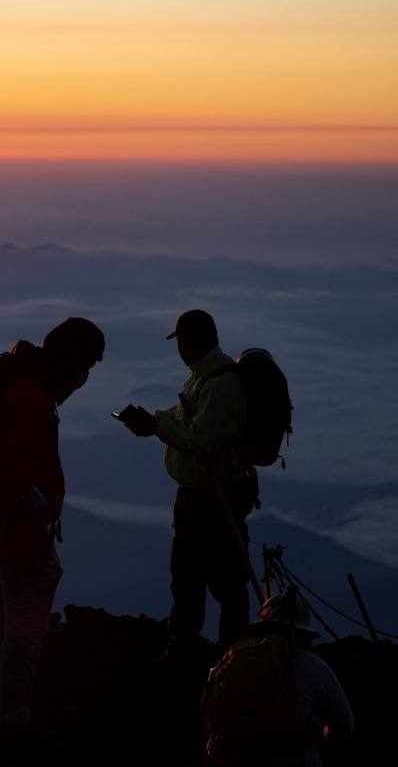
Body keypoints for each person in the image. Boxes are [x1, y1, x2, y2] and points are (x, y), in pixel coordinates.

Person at [0, 317, 105, 731]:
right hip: (16, 527)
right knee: (25, 627)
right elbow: (15, 472)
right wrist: (38, 517)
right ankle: (12, 720)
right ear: (70, 361)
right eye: (86, 365)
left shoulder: (22, 385)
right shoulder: (30, 396)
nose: (85, 376)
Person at [118, 309, 256, 660]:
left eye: (179, 341)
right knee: (186, 573)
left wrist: (155, 427)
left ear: (189, 343)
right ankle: (186, 642)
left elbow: (204, 441)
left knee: (223, 578)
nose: (178, 349)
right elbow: (185, 418)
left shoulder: (221, 384)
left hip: (215, 496)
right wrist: (154, 420)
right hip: (196, 496)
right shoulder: (202, 376)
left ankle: (232, 652)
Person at [204, 590, 353, 767]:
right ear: (302, 633)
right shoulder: (312, 664)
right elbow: (344, 724)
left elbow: (210, 713)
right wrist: (318, 735)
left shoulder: (231, 659)